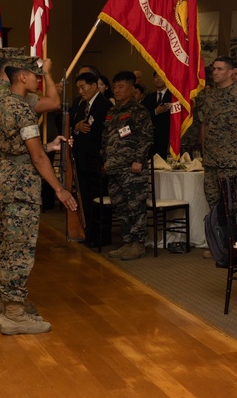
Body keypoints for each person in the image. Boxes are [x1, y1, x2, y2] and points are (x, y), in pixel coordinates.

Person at [0, 54, 77, 335]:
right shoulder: (21, 109)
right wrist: (59, 189)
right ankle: (13, 314)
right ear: (22, 77)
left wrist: (45, 147)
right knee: (19, 250)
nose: (37, 78)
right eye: (34, 74)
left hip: (3, 178)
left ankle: (3, 302)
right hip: (20, 186)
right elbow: (37, 158)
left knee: (6, 244)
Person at [102, 71, 155, 261]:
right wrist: (105, 159)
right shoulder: (112, 111)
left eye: (121, 86)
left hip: (132, 168)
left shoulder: (139, 111)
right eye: (115, 86)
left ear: (132, 89)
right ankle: (127, 242)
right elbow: (106, 138)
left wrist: (139, 160)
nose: (116, 90)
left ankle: (138, 244)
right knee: (121, 207)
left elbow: (147, 138)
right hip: (115, 167)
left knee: (135, 206)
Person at [196, 56, 237, 211]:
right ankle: (217, 236)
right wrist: (204, 152)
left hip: (232, 161)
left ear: (230, 72)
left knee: (235, 207)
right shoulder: (209, 96)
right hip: (211, 162)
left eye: (219, 69)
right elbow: (204, 125)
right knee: (213, 205)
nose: (215, 72)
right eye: (214, 69)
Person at [73, 70, 113, 247]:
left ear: (94, 86)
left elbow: (105, 134)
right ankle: (89, 232)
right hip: (82, 159)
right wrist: (76, 127)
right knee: (86, 198)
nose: (80, 91)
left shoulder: (104, 105)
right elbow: (74, 127)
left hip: (96, 160)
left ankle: (102, 236)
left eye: (83, 87)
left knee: (99, 198)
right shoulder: (83, 105)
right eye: (78, 88)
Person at [143, 71, 173, 157]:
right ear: (153, 80)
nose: (158, 79)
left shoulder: (173, 96)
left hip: (168, 138)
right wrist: (156, 111)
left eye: (161, 76)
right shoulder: (148, 98)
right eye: (156, 77)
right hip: (152, 139)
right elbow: (143, 117)